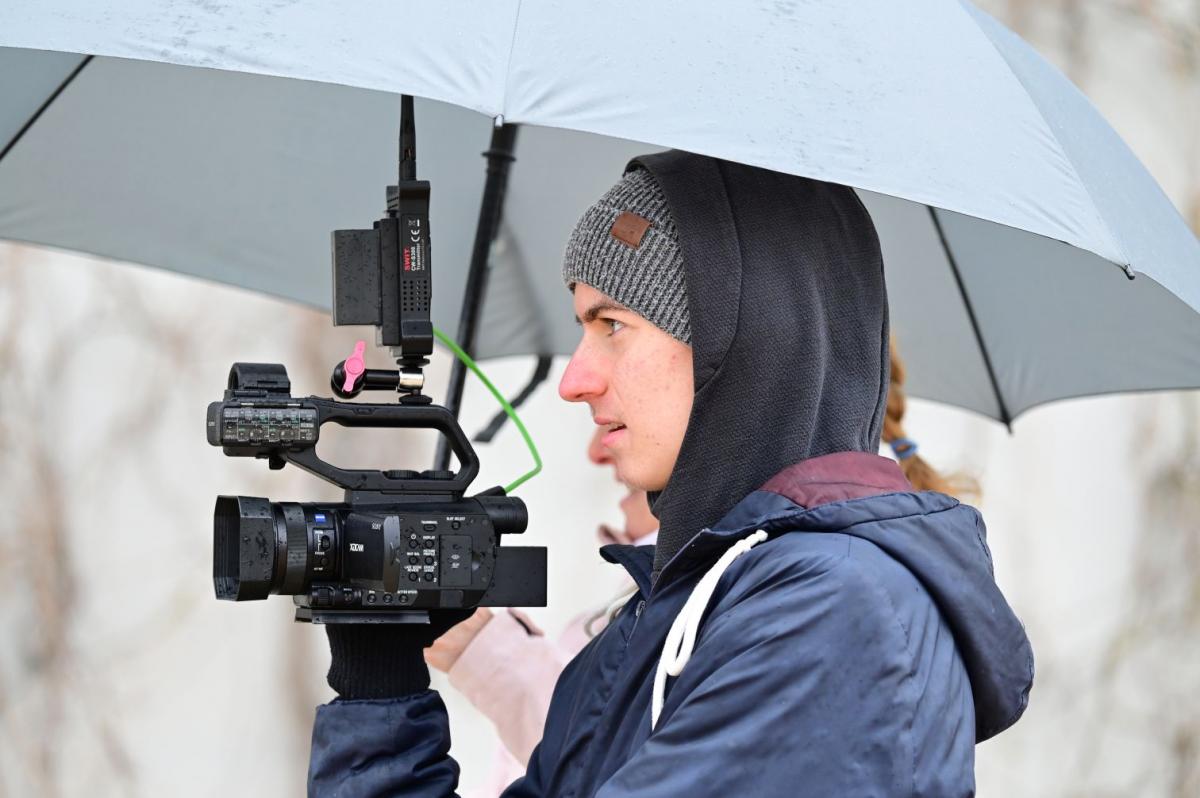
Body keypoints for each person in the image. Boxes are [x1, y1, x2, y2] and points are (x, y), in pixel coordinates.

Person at [308, 151, 1034, 796]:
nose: (575, 381)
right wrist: (381, 684)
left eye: (612, 325)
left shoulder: (831, 611)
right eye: (582, 328)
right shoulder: (669, 616)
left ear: (745, 340)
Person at [424, 427, 658, 797]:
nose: (595, 451)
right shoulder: (636, 587)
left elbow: (625, 767)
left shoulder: (706, 595)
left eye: (616, 425)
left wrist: (481, 646)